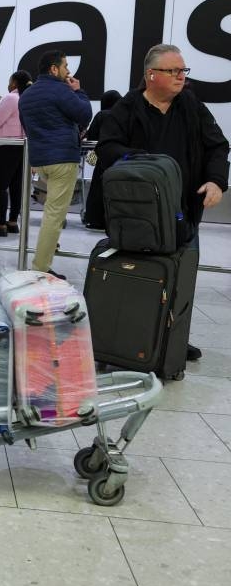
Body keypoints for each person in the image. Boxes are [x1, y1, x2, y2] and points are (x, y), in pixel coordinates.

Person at [96, 43, 229, 361]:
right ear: (151, 75)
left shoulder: (191, 105)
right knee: (138, 276)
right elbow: (107, 148)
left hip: (185, 209)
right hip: (138, 213)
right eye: (173, 70)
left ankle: (174, 340)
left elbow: (217, 145)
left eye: (183, 70)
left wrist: (215, 181)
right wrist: (144, 164)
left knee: (181, 277)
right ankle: (131, 338)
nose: (181, 76)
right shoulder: (126, 109)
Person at [18, 50, 93, 279]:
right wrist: (79, 91)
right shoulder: (61, 90)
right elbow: (84, 114)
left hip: (40, 160)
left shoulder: (27, 95)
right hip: (62, 159)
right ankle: (40, 268)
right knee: (54, 215)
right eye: (65, 66)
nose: (68, 71)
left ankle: (44, 256)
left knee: (52, 213)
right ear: (54, 69)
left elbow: (27, 125)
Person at [0, 70, 32, 236]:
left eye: (10, 81)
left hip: (6, 145)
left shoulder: (11, 97)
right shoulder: (27, 98)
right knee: (16, 186)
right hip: (22, 146)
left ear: (15, 83)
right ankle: (12, 222)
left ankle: (1, 225)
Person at [81, 89, 122, 230]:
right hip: (121, 159)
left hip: (103, 159)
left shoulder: (102, 115)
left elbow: (92, 136)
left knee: (98, 189)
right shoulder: (124, 115)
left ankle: (96, 220)